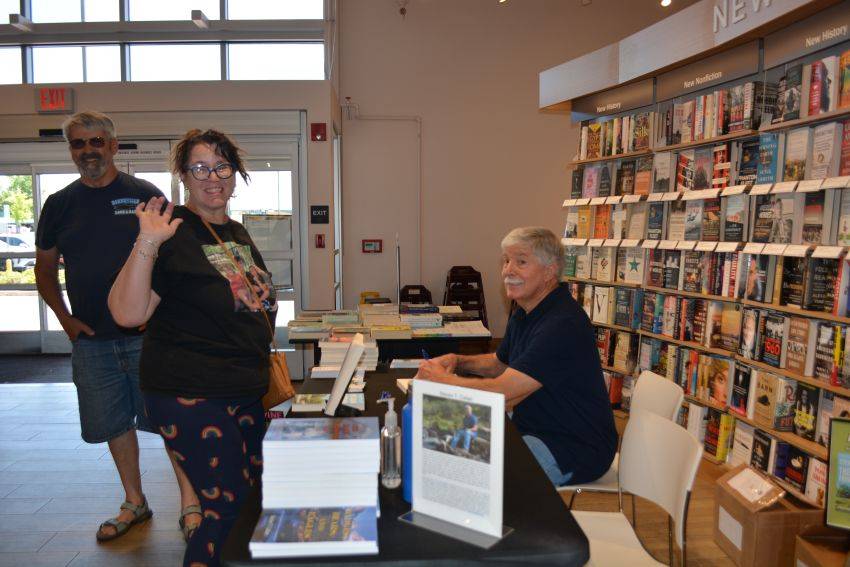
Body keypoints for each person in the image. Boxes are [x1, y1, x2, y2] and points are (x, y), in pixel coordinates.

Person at [108, 128, 276, 567]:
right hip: (191, 393)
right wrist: (147, 240)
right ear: (183, 175)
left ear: (235, 173)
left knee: (252, 498)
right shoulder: (173, 232)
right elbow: (127, 314)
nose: (212, 176)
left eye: (221, 165)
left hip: (242, 390)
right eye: (200, 167)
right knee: (225, 507)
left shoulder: (234, 231)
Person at [34, 110, 201, 542]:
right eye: (78, 144)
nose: (87, 151)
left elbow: (171, 262)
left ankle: (190, 503)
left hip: (149, 338)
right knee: (113, 425)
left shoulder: (145, 194)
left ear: (112, 145)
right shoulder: (59, 204)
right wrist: (66, 320)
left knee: (168, 420)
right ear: (71, 150)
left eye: (95, 142)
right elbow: (45, 268)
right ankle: (135, 501)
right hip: (91, 342)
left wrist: (166, 320)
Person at [416, 227, 617, 486]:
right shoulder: (526, 309)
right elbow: (500, 363)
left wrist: (443, 382)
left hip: (570, 446)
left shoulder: (562, 324)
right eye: (506, 261)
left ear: (549, 271)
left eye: (520, 262)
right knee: (444, 451)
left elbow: (503, 392)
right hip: (533, 428)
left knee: (468, 479)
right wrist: (458, 360)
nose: (508, 271)